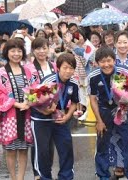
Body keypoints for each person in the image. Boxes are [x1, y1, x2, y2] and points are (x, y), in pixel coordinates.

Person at [88, 47, 128, 179]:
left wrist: (127, 104)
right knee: (102, 144)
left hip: (125, 110)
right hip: (104, 111)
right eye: (102, 61)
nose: (106, 64)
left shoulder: (124, 73)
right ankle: (102, 174)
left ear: (114, 60)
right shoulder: (93, 77)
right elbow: (93, 99)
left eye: (109, 60)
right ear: (97, 62)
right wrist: (99, 120)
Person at [33, 52, 79, 180]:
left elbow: (75, 102)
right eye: (65, 67)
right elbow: (34, 100)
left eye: (71, 68)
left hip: (60, 119)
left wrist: (68, 116)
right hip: (41, 119)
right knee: (43, 152)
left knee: (66, 147)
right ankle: (44, 177)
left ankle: (66, 176)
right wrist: (45, 111)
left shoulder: (73, 83)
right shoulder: (48, 81)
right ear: (58, 68)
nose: (68, 71)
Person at [0, 39, 33, 180]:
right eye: (13, 51)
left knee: (23, 149)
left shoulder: (27, 70)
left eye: (19, 50)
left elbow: (34, 90)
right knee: (11, 150)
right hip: (10, 115)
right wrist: (17, 104)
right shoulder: (1, 72)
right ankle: (13, 177)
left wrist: (29, 102)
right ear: (7, 52)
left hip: (26, 115)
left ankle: (21, 177)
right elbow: (0, 95)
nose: (16, 54)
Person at [24, 37, 56, 180]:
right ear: (33, 51)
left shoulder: (54, 66)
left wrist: (54, 105)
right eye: (38, 48)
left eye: (44, 48)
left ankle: (47, 172)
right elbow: (29, 92)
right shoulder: (28, 68)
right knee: (39, 146)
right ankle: (38, 174)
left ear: (48, 49)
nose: (41, 51)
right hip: (38, 113)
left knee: (49, 147)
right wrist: (41, 108)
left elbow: (58, 87)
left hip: (53, 111)